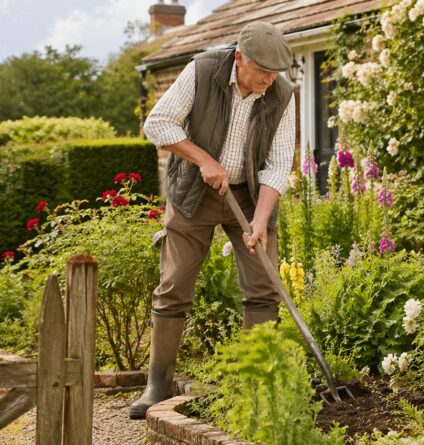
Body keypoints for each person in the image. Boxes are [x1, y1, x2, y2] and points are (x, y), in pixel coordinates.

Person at [129, 21, 296, 419]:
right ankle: (158, 385)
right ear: (240, 59)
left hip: (249, 195)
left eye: (275, 75)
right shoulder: (203, 71)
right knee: (174, 284)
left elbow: (277, 165)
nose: (269, 82)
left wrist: (259, 221)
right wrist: (204, 160)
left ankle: (257, 386)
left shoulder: (282, 96)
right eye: (262, 73)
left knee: (263, 288)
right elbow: (158, 123)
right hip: (194, 192)